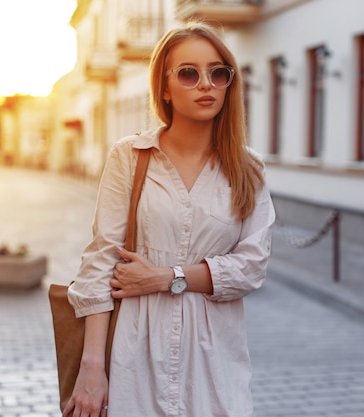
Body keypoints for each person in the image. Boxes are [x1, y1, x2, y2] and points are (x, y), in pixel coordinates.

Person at [65, 20, 276, 417]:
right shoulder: (129, 157)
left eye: (218, 73)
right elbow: (99, 264)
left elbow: (252, 267)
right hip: (135, 356)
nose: (206, 84)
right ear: (164, 87)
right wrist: (92, 369)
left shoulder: (249, 168)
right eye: (189, 73)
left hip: (215, 362)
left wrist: (167, 277)